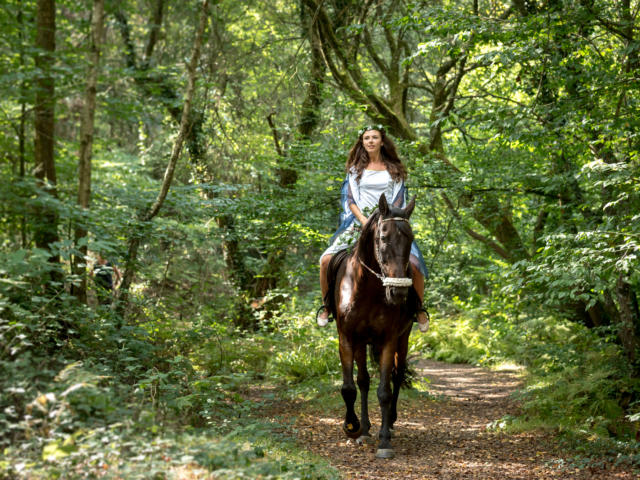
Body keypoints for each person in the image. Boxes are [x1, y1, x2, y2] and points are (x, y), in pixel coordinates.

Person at [317, 125, 429, 332]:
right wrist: (366, 222)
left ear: (382, 141)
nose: (370, 141)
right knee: (325, 261)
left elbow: (398, 200)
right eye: (366, 138)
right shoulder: (354, 171)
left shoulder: (395, 170)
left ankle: (419, 309)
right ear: (362, 142)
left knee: (414, 265)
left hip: (389, 227)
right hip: (359, 225)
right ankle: (327, 306)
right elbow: (350, 200)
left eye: (374, 137)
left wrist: (383, 222)